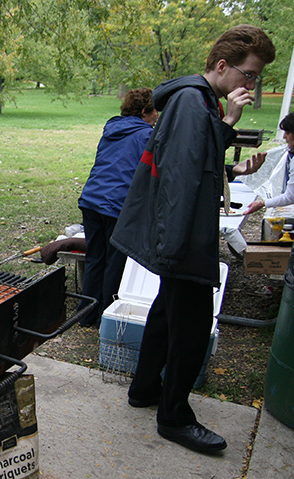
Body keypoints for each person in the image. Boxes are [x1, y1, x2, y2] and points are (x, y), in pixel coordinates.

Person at [110, 25, 275, 454]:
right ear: (222, 66)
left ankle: (144, 389)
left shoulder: (199, 100)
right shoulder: (191, 101)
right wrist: (178, 248)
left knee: (167, 313)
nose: (251, 85)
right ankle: (174, 417)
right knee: (194, 325)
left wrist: (229, 145)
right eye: (249, 74)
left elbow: (197, 160)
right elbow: (180, 180)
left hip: (180, 233)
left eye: (256, 78)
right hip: (182, 236)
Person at [77, 88, 158, 327]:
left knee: (95, 257)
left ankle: (86, 313)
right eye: (155, 111)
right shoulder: (146, 135)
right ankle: (106, 315)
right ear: (145, 111)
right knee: (115, 261)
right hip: (117, 205)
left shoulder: (111, 128)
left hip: (92, 199)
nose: (157, 116)